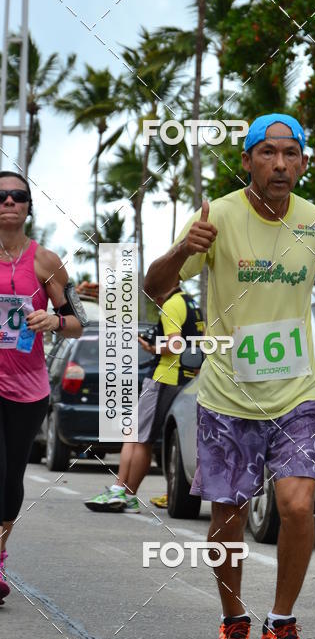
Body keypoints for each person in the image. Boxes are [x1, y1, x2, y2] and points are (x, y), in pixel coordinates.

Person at [144, 114, 315, 639]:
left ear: (304, 163)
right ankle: (233, 621)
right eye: (267, 152)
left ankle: (281, 624)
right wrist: (183, 249)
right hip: (227, 393)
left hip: (296, 394)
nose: (279, 164)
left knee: (297, 506)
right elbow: (155, 287)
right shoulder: (216, 217)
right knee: (229, 514)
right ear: (247, 161)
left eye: (290, 154)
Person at [0, 170, 84, 604]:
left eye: (18, 196)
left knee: (10, 477)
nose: (9, 202)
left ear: (29, 206)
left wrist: (52, 320)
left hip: (28, 388)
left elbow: (77, 321)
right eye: (1, 196)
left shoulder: (46, 261)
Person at [84, 285, 204, 513]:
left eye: (154, 288)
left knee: (136, 436)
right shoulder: (192, 304)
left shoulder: (172, 305)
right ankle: (127, 494)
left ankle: (121, 491)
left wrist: (151, 348)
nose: (154, 297)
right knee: (141, 437)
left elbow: (175, 344)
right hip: (185, 377)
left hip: (165, 376)